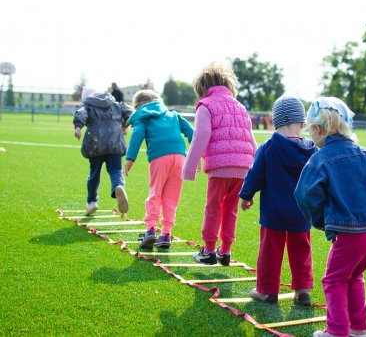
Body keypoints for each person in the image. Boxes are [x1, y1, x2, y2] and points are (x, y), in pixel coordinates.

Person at [294, 97, 366, 337]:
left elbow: (304, 194)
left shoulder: (320, 159)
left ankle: (336, 331)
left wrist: (323, 221)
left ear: (319, 129)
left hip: (352, 233)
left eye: (311, 130)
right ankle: (358, 329)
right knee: (354, 276)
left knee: (333, 280)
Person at [239, 95, 318, 305]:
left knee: (269, 251)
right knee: (302, 250)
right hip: (302, 212)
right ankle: (302, 290)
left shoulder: (268, 147)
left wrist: (246, 195)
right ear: (302, 123)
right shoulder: (312, 149)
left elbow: (254, 174)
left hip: (273, 211)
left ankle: (267, 290)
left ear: (274, 121)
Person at [182, 63, 257, 265]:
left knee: (213, 208)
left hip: (220, 167)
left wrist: (189, 166)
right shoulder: (240, 107)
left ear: (202, 89)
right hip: (243, 168)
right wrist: (256, 171)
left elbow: (202, 135)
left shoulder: (205, 105)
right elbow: (251, 139)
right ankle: (225, 251)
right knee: (230, 209)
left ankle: (208, 251)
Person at [124, 89, 194, 250]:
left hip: (160, 157)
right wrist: (197, 155)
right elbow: (192, 132)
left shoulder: (143, 116)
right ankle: (166, 234)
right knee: (171, 197)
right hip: (180, 158)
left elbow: (138, 134)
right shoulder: (173, 115)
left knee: (155, 193)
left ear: (138, 106)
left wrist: (130, 158)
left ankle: (150, 230)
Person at [73, 86, 133, 216]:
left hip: (95, 144)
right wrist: (125, 124)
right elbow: (128, 111)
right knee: (116, 170)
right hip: (115, 142)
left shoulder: (88, 106)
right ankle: (119, 186)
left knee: (94, 173)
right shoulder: (114, 104)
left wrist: (78, 127)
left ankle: (92, 202)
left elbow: (81, 113)